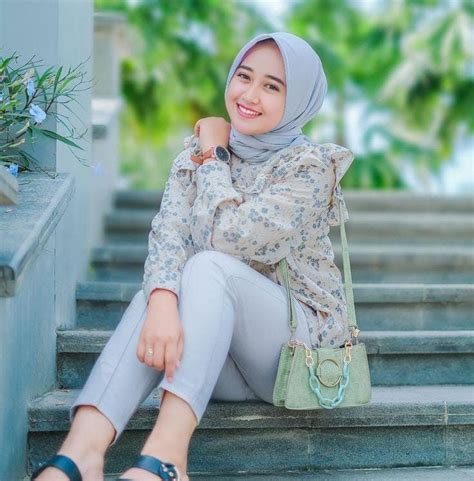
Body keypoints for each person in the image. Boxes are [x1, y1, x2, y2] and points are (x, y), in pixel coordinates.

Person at [31, 31, 355, 481]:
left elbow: (228, 238)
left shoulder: (310, 168)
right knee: (156, 297)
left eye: (272, 86)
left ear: (299, 99)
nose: (249, 95)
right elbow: (168, 235)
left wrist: (215, 156)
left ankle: (168, 457)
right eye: (244, 77)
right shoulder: (194, 154)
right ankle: (81, 453)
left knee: (206, 266)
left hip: (293, 355)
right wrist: (162, 302)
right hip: (217, 356)